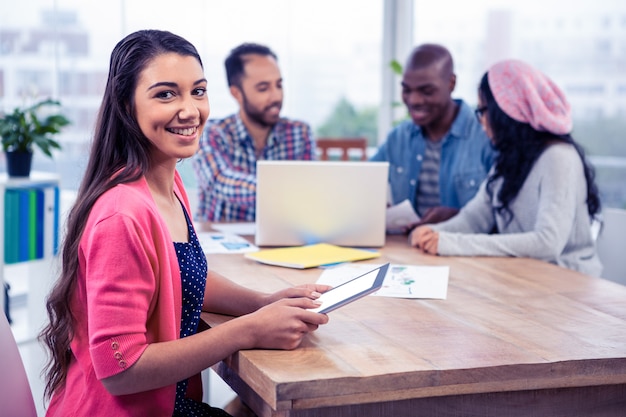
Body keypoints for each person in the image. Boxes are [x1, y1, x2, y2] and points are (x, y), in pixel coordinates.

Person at [39, 30, 329, 417]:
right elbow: (120, 370)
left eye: (198, 91)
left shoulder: (168, 183)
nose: (191, 110)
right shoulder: (122, 216)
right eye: (165, 94)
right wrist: (249, 329)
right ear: (126, 106)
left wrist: (262, 304)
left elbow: (179, 275)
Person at [410, 59, 603, 277]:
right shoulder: (510, 159)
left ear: (509, 111)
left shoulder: (559, 157)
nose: (480, 120)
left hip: (567, 285)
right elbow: (474, 219)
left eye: (483, 110)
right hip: (524, 278)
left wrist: (450, 242)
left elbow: (548, 243)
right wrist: (432, 232)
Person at [371, 44, 496, 230]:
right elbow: (361, 183)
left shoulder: (485, 137)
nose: (414, 100)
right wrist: (373, 205)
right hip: (411, 249)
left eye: (426, 91)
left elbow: (507, 219)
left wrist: (460, 219)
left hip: (465, 250)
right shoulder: (399, 138)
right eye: (407, 90)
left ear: (451, 83)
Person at [192, 43, 315, 222]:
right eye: (263, 88)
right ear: (237, 93)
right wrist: (282, 191)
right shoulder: (213, 133)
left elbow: (310, 192)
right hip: (221, 242)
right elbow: (218, 181)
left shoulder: (299, 133)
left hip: (281, 240)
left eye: (279, 85)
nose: (276, 96)